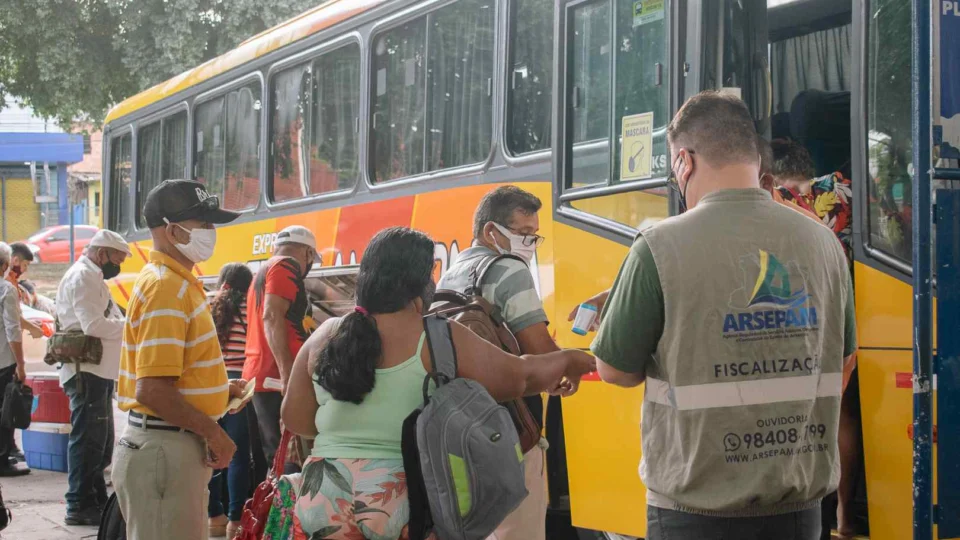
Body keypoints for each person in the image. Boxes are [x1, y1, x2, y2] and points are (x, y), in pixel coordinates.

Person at [590, 91, 857, 540]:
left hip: (694, 511)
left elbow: (613, 370)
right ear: (754, 157)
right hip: (799, 509)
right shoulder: (823, 242)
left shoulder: (658, 246)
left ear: (683, 163)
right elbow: (843, 363)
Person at [281, 227, 595, 539]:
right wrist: (568, 360)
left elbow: (295, 418)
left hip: (321, 495)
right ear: (417, 285)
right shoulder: (434, 336)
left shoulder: (327, 334)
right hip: (397, 497)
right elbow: (520, 378)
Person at [113, 179, 249, 540]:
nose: (211, 232)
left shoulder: (176, 283)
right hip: (165, 451)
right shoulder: (166, 289)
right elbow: (153, 389)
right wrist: (215, 433)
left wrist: (219, 390)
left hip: (169, 447)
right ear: (173, 230)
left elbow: (172, 375)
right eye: (204, 224)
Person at [437, 185, 557, 540]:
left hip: (462, 421)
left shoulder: (453, 272)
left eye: (534, 236)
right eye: (523, 234)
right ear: (492, 232)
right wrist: (567, 365)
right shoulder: (509, 269)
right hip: (513, 426)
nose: (529, 245)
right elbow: (539, 349)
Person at [56, 230, 131, 525]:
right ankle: (79, 505)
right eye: (118, 259)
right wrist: (130, 327)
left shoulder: (92, 275)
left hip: (97, 370)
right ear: (102, 254)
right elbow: (92, 324)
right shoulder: (84, 277)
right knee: (88, 440)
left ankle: (95, 499)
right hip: (86, 371)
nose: (119, 265)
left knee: (99, 441)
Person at [243, 225, 316, 468]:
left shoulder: (260, 272)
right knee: (289, 457)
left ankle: (278, 504)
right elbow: (272, 317)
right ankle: (288, 506)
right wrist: (288, 375)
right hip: (277, 377)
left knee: (276, 455)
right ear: (307, 252)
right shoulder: (286, 266)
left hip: (262, 375)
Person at [208, 263, 254, 539]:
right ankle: (235, 522)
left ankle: (214, 516)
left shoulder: (208, 307)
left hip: (211, 383)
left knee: (210, 450)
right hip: (239, 385)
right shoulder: (250, 310)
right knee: (237, 454)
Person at [0, 242, 29, 477]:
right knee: (4, 411)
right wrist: (21, 365)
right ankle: (2, 461)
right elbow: (12, 329)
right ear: (5, 265)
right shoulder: (6, 289)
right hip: (3, 360)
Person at [6, 243, 43, 340]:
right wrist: (31, 327)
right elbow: (10, 315)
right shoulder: (6, 282)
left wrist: (28, 323)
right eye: (25, 265)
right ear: (16, 260)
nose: (25, 270)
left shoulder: (12, 279)